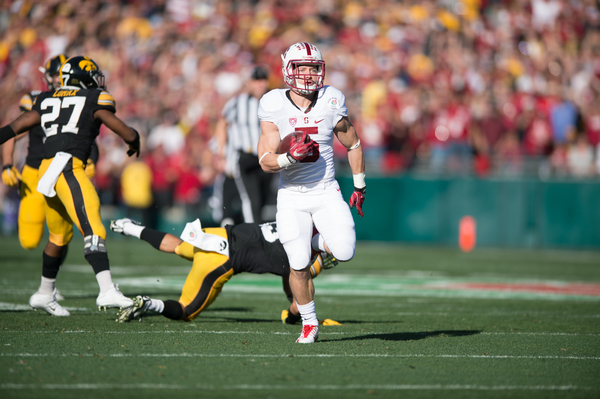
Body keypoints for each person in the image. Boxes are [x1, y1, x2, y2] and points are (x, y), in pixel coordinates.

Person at [0, 55, 141, 316]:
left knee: (59, 236)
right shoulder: (93, 99)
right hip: (68, 168)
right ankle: (107, 290)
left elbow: (15, 127)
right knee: (94, 227)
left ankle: (44, 293)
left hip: (46, 171)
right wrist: (135, 141)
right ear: (83, 77)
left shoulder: (44, 99)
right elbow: (127, 133)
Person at [256, 42, 366, 343]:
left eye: (313, 67)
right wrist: (289, 158)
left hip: (326, 190)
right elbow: (265, 159)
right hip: (291, 195)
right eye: (301, 67)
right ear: (287, 70)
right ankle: (309, 322)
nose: (308, 74)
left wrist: (359, 184)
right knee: (299, 263)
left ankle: (315, 239)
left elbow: (353, 142)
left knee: (344, 251)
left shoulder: (331, 99)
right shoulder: (273, 102)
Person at [109, 217, 338, 324]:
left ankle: (130, 227)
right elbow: (300, 299)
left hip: (217, 233)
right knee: (186, 310)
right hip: (222, 258)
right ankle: (149, 304)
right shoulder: (305, 257)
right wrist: (292, 317)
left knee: (178, 246)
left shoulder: (295, 223)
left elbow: (286, 274)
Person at [2, 54, 99, 252]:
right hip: (35, 173)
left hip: (66, 173)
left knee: (63, 234)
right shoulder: (36, 99)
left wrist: (91, 160)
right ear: (47, 77)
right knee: (29, 241)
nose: (58, 79)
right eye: (55, 74)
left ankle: (51, 276)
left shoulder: (82, 98)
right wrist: (7, 164)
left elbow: (90, 139)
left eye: (60, 74)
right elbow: (14, 132)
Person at [213, 65, 276, 224]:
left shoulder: (273, 102)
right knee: (251, 199)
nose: (260, 84)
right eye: (256, 80)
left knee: (263, 199)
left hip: (267, 157)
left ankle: (258, 234)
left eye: (262, 80)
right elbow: (222, 124)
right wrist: (221, 154)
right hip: (246, 157)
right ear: (249, 83)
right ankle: (254, 235)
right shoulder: (237, 102)